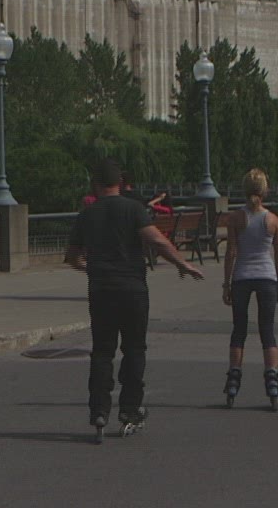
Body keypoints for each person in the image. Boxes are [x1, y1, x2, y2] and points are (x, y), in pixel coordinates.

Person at [66, 158, 205, 437]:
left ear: (95, 184)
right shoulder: (133, 209)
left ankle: (99, 411)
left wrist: (91, 268)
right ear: (120, 182)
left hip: (101, 290)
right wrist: (182, 264)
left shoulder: (87, 215)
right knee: (134, 349)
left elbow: (72, 257)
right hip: (132, 289)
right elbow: (157, 240)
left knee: (102, 351)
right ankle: (130, 410)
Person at [220, 168, 278, 407]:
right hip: (266, 276)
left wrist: (226, 284)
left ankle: (233, 380)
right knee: (268, 331)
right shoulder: (272, 219)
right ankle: (272, 381)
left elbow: (231, 253)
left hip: (242, 277)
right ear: (265, 191)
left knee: (239, 330)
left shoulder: (236, 218)